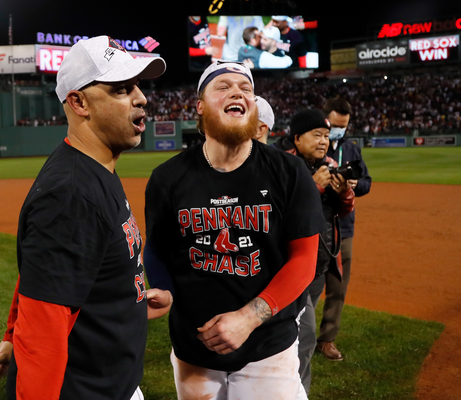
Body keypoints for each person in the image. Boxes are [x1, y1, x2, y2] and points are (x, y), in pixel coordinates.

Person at [0, 35, 173, 400]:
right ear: (79, 102)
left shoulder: (96, 167)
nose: (141, 98)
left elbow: (43, 275)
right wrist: (20, 338)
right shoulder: (71, 195)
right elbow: (40, 342)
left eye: (137, 86)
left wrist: (130, 299)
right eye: (122, 89)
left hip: (113, 382)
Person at [143, 61, 326, 400]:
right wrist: (164, 289)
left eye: (246, 88)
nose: (237, 92)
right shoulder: (166, 179)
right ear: (199, 106)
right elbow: (156, 247)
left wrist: (249, 318)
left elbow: (304, 259)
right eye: (223, 86)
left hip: (268, 346)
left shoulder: (288, 172)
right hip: (193, 350)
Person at [273, 108, 356, 396]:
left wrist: (344, 192)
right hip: (291, 265)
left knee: (297, 335)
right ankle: (295, 392)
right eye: (316, 135)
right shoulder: (280, 163)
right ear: (297, 138)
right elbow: (278, 212)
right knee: (305, 335)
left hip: (320, 262)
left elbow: (343, 211)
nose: (323, 141)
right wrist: (315, 187)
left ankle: (290, 388)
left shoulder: (329, 164)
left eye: (326, 135)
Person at [312, 98, 372, 361]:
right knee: (305, 284)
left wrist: (355, 185)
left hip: (343, 227)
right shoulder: (311, 147)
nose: (339, 131)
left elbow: (367, 183)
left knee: (337, 287)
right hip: (313, 225)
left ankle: (327, 340)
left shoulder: (350, 149)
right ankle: (296, 336)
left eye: (343, 127)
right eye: (335, 126)